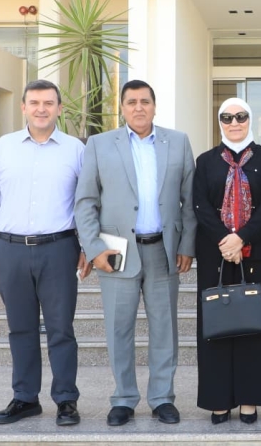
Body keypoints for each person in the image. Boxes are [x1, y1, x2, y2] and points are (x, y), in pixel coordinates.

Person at [74, 79, 197, 427]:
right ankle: (124, 399)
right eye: (132, 102)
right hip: (116, 252)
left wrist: (187, 245)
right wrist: (93, 248)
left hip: (163, 249)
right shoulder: (99, 144)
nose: (139, 107)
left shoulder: (178, 142)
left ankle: (162, 398)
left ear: (155, 106)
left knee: (165, 329)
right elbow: (85, 201)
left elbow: (190, 201)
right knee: (119, 329)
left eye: (145, 101)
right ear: (122, 108)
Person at [0, 79, 89, 426]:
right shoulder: (4, 147)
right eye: (34, 103)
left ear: (59, 109)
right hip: (11, 250)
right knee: (20, 328)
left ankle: (66, 399)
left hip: (59, 249)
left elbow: (86, 202)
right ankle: (25, 398)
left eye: (48, 103)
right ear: (23, 107)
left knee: (61, 329)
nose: (41, 109)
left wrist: (87, 245)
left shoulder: (75, 150)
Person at [193, 98, 261, 424]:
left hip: (255, 254)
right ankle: (218, 400)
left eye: (241, 116)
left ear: (249, 119)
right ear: (220, 122)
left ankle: (248, 399)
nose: (234, 122)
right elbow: (200, 206)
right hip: (215, 254)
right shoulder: (206, 161)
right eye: (227, 117)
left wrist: (241, 237)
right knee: (215, 327)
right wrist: (225, 240)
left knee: (252, 327)